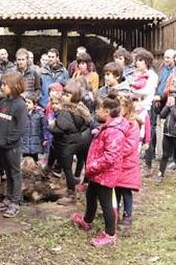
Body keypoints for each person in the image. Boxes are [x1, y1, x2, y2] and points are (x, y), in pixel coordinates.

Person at [70, 93, 128, 247]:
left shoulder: (114, 131)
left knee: (106, 203)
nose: (96, 112)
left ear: (107, 112)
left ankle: (110, 235)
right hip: (97, 173)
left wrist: (92, 166)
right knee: (90, 194)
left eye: (98, 109)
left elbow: (110, 157)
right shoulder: (108, 126)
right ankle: (87, 221)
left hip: (105, 174)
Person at [0, 72, 28, 218]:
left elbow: (20, 128)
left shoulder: (20, 105)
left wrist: (7, 141)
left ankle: (15, 202)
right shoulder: (2, 102)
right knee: (8, 174)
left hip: (12, 147)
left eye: (5, 84)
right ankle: (8, 198)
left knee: (15, 174)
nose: (2, 86)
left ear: (14, 86)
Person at [50, 81, 92, 205]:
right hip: (80, 141)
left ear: (75, 96)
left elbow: (58, 129)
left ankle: (71, 194)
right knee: (81, 163)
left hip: (68, 144)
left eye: (67, 95)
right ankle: (84, 183)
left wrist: (50, 127)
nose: (64, 97)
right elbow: (87, 123)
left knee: (67, 169)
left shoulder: (64, 112)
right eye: (64, 94)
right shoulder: (82, 110)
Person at [115, 93, 147, 229]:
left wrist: (115, 150)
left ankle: (127, 215)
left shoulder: (132, 124)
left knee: (126, 191)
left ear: (127, 108)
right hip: (117, 163)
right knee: (115, 190)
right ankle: (114, 213)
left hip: (127, 163)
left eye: (120, 107)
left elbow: (130, 146)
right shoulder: (116, 122)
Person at [157, 84, 176, 185]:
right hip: (167, 133)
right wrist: (167, 105)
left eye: (174, 93)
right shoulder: (169, 103)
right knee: (165, 155)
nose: (171, 95)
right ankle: (160, 174)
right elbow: (162, 115)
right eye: (170, 93)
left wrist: (172, 106)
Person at [21, 92, 48, 162]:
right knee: (24, 159)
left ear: (35, 105)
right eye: (25, 102)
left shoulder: (40, 115)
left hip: (35, 142)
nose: (26, 104)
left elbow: (44, 127)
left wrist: (45, 138)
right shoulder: (22, 114)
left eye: (29, 102)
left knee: (34, 159)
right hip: (25, 141)